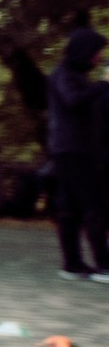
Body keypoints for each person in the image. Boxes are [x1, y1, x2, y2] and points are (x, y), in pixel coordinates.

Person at [46, 27, 109, 282]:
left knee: (69, 207)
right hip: (73, 150)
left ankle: (72, 264)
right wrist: (103, 85)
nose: (98, 58)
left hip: (71, 149)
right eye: (97, 52)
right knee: (94, 205)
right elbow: (73, 101)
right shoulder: (64, 75)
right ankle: (104, 265)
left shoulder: (73, 75)